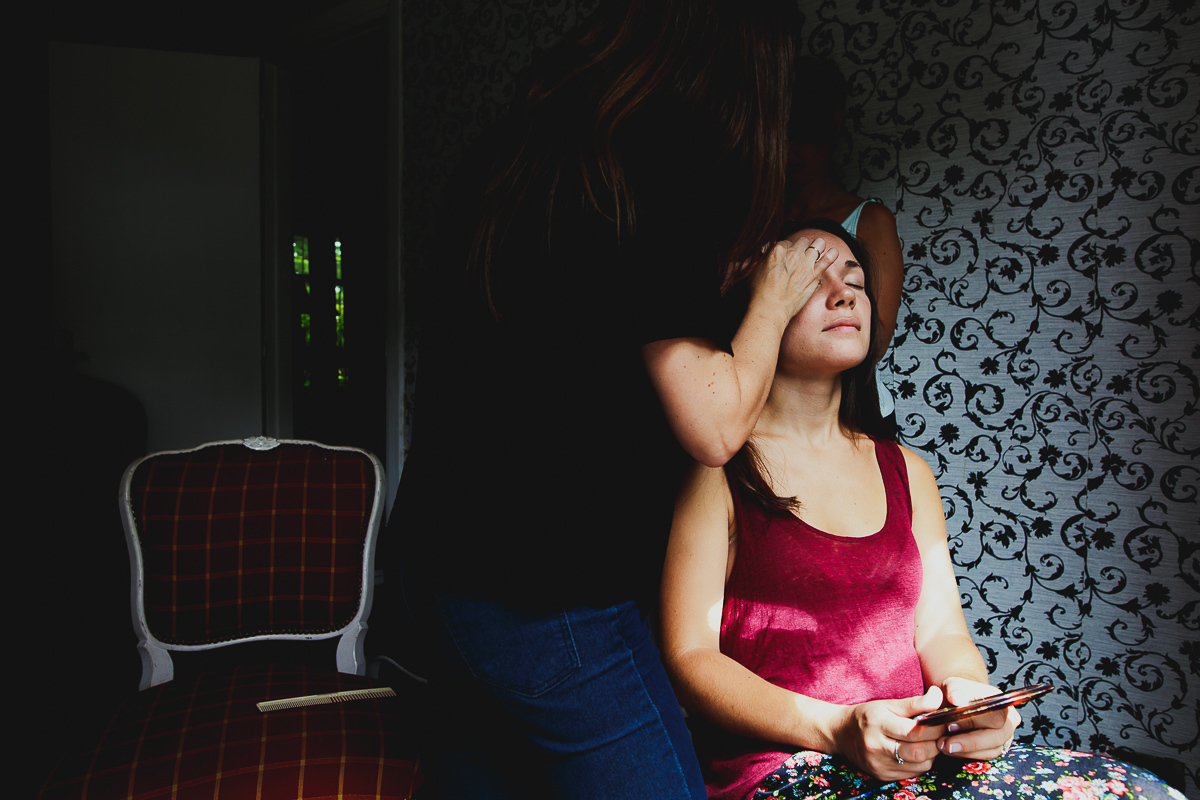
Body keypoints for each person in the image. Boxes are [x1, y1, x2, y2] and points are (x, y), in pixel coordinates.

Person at [387, 2, 831, 797]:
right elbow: (714, 425)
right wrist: (772, 295)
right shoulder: (665, 164)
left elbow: (587, 330)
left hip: (438, 565)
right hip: (543, 592)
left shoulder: (533, 146)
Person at [659, 220, 1185, 800]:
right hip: (782, 770)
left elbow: (940, 631)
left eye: (855, 280)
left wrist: (971, 698)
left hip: (914, 759)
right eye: (810, 278)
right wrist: (836, 727)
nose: (844, 294)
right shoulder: (718, 470)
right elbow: (690, 660)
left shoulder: (907, 471)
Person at [784, 58, 904, 435]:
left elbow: (874, 339)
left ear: (833, 125)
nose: (793, 149)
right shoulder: (756, 224)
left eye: (806, 134)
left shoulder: (870, 219)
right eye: (782, 135)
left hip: (856, 412)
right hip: (774, 411)